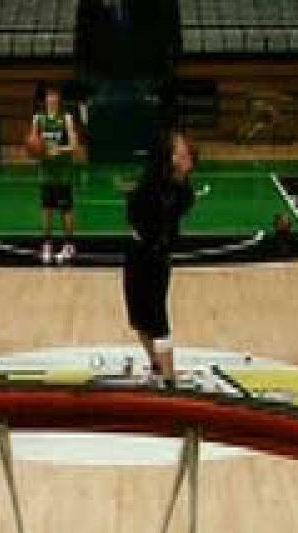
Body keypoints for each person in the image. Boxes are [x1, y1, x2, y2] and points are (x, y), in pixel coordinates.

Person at [123, 128, 196, 388]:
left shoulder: (176, 192)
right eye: (181, 148)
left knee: (156, 316)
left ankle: (168, 378)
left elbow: (138, 214)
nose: (187, 152)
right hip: (136, 251)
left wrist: (134, 197)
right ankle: (157, 365)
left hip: (153, 256)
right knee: (138, 318)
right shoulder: (158, 184)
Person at [29, 85, 84, 265]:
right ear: (45, 101)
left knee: (66, 211)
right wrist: (38, 152)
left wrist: (58, 150)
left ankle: (69, 245)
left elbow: (75, 147)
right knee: (47, 210)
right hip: (45, 173)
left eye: (54, 98)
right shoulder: (37, 119)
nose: (51, 100)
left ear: (58, 100)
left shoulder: (66, 119)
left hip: (63, 173)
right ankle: (47, 244)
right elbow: (31, 144)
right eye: (48, 98)